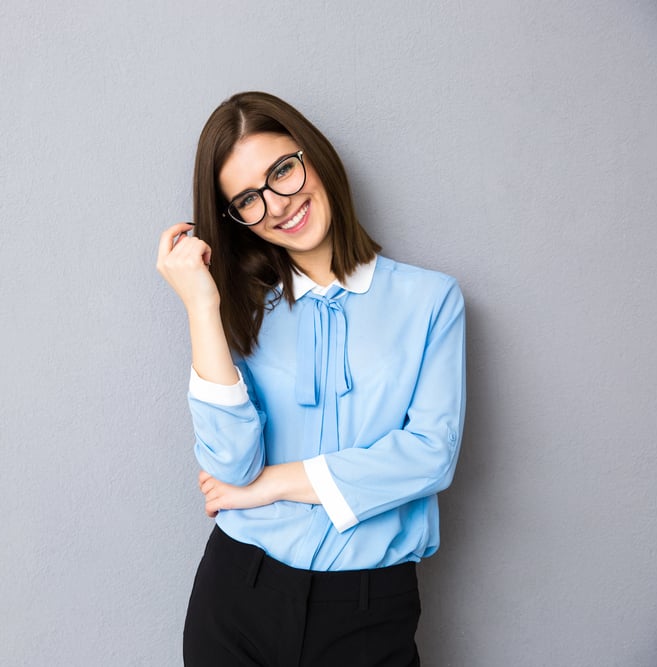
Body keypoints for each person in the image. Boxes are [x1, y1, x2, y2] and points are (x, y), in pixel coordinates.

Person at [156, 91, 466, 667]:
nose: (277, 205)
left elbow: (430, 457)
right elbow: (230, 467)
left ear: (314, 157)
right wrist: (201, 305)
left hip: (368, 605)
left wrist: (273, 485)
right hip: (237, 592)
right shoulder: (240, 311)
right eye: (248, 199)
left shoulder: (431, 300)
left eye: (282, 171)